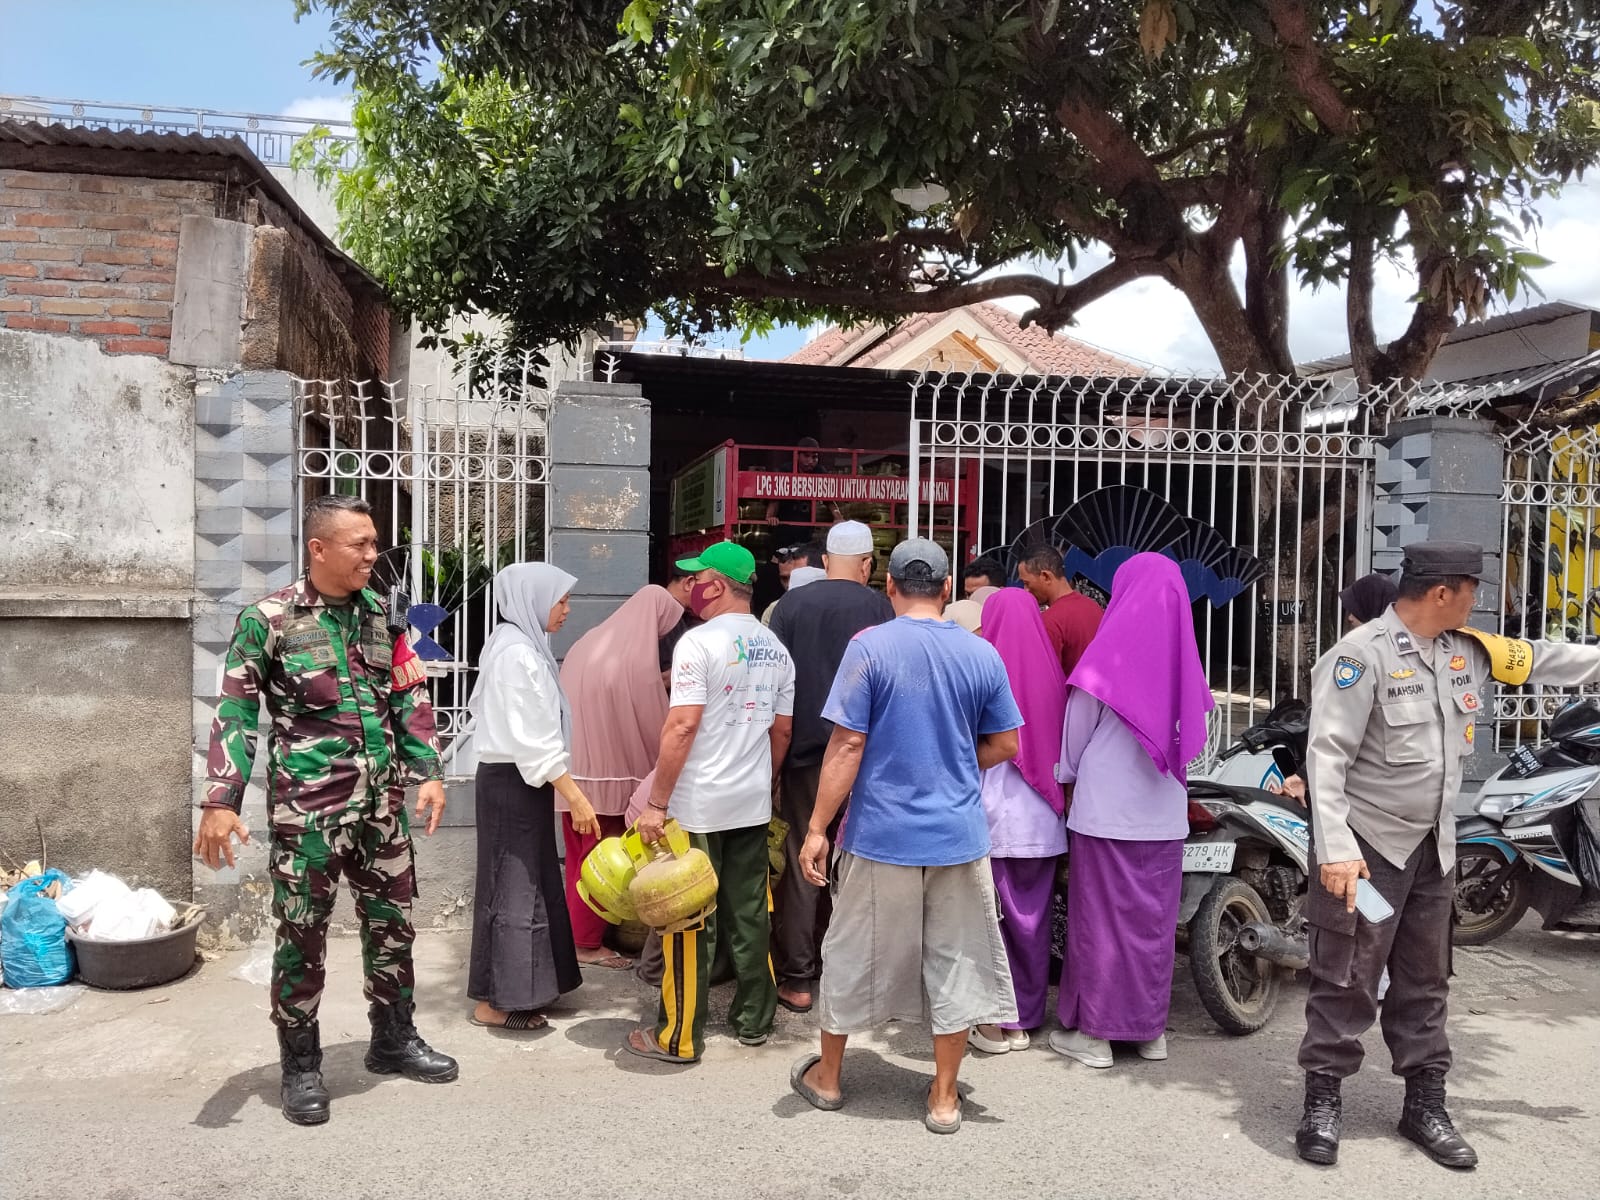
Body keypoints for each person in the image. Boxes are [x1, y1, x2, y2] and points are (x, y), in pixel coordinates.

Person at [1294, 541, 1600, 1170]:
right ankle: (1322, 1100)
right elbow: (1325, 760)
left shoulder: (1466, 650)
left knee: (1426, 979)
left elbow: (1542, 658)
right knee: (1347, 974)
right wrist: (1336, 852)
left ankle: (1424, 1105)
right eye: (1472, 590)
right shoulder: (1358, 658)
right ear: (1442, 592)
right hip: (1367, 853)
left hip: (1435, 851)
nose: (1476, 602)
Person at [197, 494, 456, 1127]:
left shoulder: (382, 617)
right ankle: (301, 1064)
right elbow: (236, 710)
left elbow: (408, 696)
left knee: (392, 926)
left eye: (374, 543)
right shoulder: (268, 620)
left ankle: (393, 1038)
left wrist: (427, 771)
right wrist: (221, 799)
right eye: (360, 544)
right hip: (309, 813)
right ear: (318, 548)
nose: (373, 555)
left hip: (381, 810)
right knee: (302, 934)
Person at [790, 538, 1022, 1135]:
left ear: (888, 585)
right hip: (958, 837)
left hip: (879, 834)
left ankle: (829, 1077)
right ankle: (943, 1098)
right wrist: (953, 761)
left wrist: (816, 829)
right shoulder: (980, 652)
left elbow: (848, 744)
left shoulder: (869, 648)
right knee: (957, 960)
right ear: (946, 589)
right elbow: (1006, 743)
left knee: (851, 951)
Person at [625, 541, 796, 1063]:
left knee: (687, 917)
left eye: (697, 579)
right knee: (751, 912)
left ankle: (678, 1036)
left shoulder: (697, 644)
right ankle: (754, 1020)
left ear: (717, 585)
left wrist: (656, 804)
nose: (691, 587)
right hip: (750, 804)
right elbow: (782, 731)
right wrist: (764, 781)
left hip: (698, 806)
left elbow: (682, 725)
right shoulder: (776, 648)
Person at [1050, 553, 1212, 1071]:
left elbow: (1072, 746)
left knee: (1099, 924)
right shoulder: (1185, 664)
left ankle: (1096, 1036)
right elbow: (1195, 742)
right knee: (1153, 928)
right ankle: (1149, 1033)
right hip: (1163, 817)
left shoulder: (1103, 661)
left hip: (1104, 813)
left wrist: (1066, 778)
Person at [767, 520, 895, 1014]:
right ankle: (857, 977)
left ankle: (798, 979)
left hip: (804, 757)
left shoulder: (790, 606)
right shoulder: (880, 608)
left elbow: (776, 689)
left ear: (824, 562)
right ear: (867, 564)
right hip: (864, 755)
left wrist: (774, 762)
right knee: (858, 864)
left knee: (805, 855)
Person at [468, 563, 601, 1030]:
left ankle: (532, 986)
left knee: (531, 883)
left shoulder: (521, 645)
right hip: (513, 783)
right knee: (514, 889)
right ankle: (498, 1003)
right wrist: (575, 796)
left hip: (521, 781)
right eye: (560, 599)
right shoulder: (516, 654)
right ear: (533, 599)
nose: (566, 609)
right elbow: (533, 740)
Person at [559, 584, 685, 966]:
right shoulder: (638, 663)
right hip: (613, 777)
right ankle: (586, 945)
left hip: (573, 775)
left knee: (579, 856)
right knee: (605, 862)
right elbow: (659, 726)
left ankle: (574, 936)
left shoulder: (587, 643)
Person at [968, 588, 1069, 1054]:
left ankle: (999, 1020)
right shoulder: (1055, 678)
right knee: (1033, 923)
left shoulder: (983, 673)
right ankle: (1027, 1016)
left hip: (990, 820)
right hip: (1043, 821)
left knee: (991, 922)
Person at [1017, 543, 1104, 676]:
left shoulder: (1050, 621)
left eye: (1026, 583)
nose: (1026, 590)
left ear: (1046, 576)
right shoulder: (1094, 607)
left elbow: (1046, 677)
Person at [762, 542, 825, 624]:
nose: (789, 584)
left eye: (797, 576)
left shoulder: (833, 608)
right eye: (784, 578)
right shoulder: (773, 611)